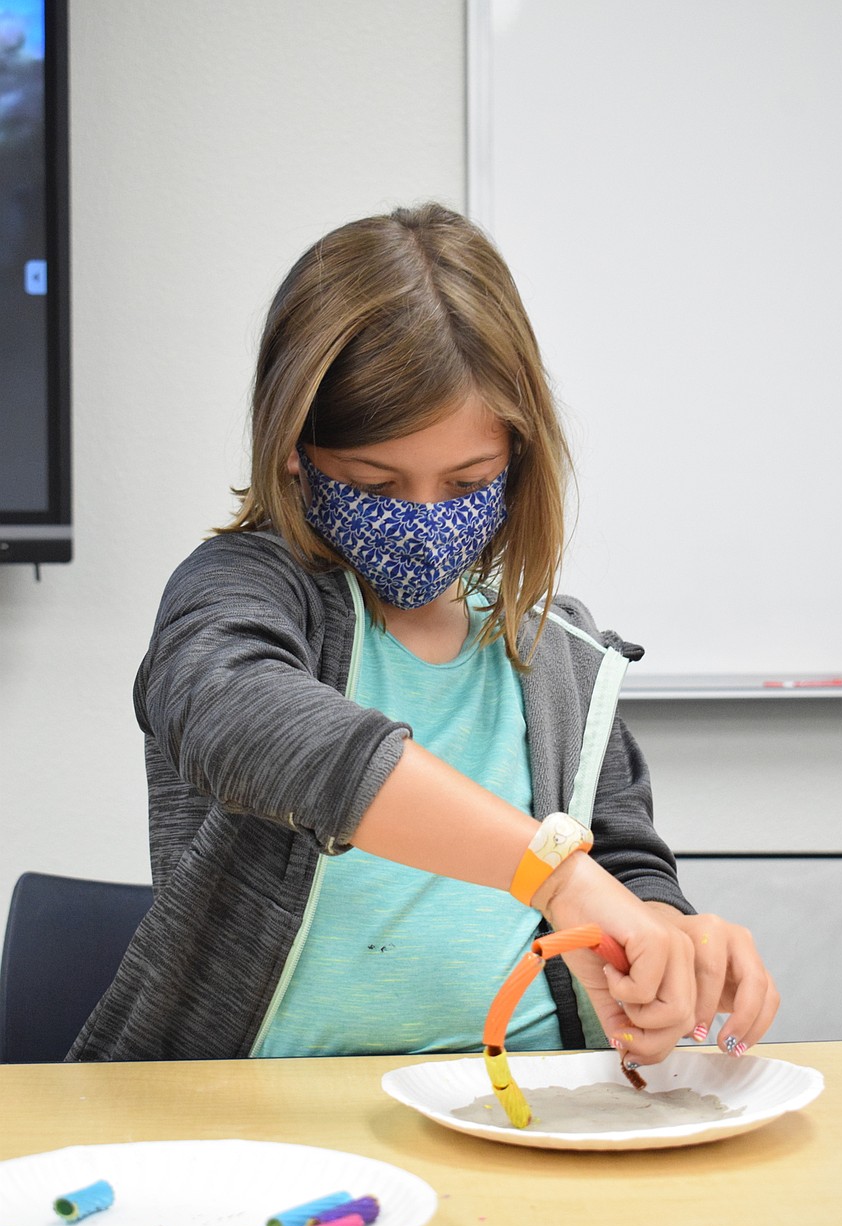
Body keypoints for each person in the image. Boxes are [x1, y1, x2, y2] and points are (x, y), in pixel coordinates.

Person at [68, 203, 778, 1066]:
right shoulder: (240, 595)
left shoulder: (562, 658)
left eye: (468, 480)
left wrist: (667, 943)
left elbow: (624, 866)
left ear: (517, 459)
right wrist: (550, 870)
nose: (422, 517)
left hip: (528, 1103)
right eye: (376, 482)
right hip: (266, 1115)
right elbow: (239, 713)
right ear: (295, 448)